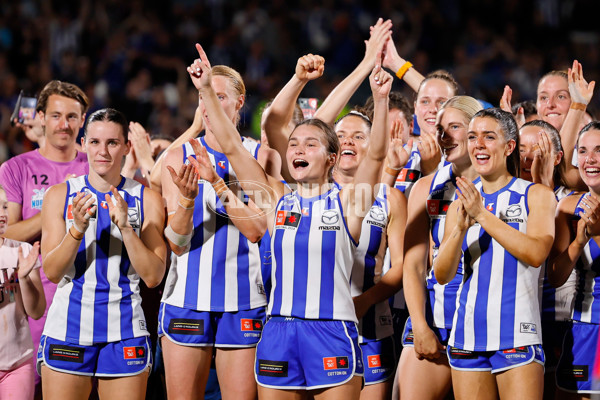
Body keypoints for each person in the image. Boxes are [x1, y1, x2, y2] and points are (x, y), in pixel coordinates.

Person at [187, 42, 389, 399]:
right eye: (294, 143)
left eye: (311, 144)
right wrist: (205, 90)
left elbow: (375, 153)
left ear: (331, 158)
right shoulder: (275, 199)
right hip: (277, 333)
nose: (297, 149)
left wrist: (382, 99)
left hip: (332, 332)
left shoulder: (350, 201)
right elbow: (233, 146)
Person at [158, 56, 271, 399]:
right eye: (204, 96)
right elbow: (176, 243)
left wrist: (219, 184)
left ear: (239, 102)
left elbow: (256, 230)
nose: (208, 104)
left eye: (218, 96)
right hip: (187, 300)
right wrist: (188, 201)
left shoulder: (260, 155)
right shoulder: (177, 157)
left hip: (245, 301)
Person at [38, 108, 167, 400]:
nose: (103, 151)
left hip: (125, 331)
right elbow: (53, 271)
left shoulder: (147, 199)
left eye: (112, 142)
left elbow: (153, 276)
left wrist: (126, 228)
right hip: (68, 329)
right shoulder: (58, 196)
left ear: (126, 147)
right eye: (95, 142)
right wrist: (77, 230)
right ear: (84, 144)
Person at [434, 108, 556, 400]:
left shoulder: (536, 195)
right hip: (467, 334)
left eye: (489, 137)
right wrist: (459, 230)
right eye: (473, 136)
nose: (479, 144)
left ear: (509, 146)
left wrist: (482, 215)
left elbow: (536, 253)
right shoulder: (458, 203)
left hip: (517, 333)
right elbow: (442, 274)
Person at [0, 80, 90, 394]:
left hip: (85, 304)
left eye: (71, 116)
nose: (63, 124)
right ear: (40, 118)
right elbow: (5, 231)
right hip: (31, 305)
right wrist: (56, 204)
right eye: (55, 115)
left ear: (83, 120)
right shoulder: (15, 168)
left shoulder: (96, 167)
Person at [398, 96, 482, 400]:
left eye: (455, 127)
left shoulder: (504, 187)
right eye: (440, 129)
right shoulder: (425, 188)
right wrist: (420, 326)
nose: (445, 137)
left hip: (485, 325)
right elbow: (414, 265)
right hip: (435, 318)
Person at [549, 121, 600, 399]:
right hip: (585, 328)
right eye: (582, 150)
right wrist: (579, 242)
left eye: (599, 150)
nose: (590, 159)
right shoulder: (568, 206)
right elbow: (555, 276)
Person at [0, 184, 45, 400]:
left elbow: (36, 311)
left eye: (5, 207)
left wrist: (25, 278)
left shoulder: (22, 251)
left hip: (17, 365)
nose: (2, 215)